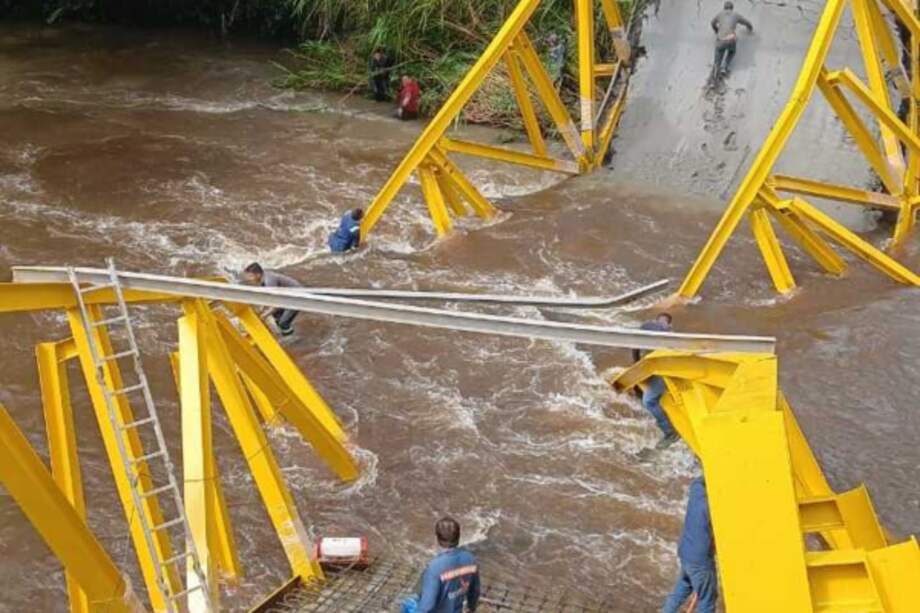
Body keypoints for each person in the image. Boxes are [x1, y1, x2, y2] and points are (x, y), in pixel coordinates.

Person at [401, 517, 480, 613]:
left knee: (409, 602)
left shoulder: (434, 567)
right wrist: (471, 608)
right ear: (458, 537)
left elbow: (427, 605)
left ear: (437, 538)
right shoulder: (470, 559)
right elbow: (474, 591)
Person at [662, 477, 718, 613]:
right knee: (707, 600)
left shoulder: (696, 489)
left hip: (686, 552)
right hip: (700, 560)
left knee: (681, 590)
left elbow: (700, 480)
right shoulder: (713, 505)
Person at [632, 313, 679, 450]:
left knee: (649, 401)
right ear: (669, 323)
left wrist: (636, 364)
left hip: (658, 368)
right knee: (649, 393)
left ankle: (670, 433)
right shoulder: (671, 333)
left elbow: (634, 345)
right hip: (664, 366)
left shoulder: (646, 325)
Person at [242, 262, 301, 337]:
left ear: (258, 274)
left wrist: (264, 315)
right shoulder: (263, 278)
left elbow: (277, 304)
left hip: (297, 297)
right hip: (286, 296)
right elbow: (268, 298)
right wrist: (262, 309)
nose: (248, 279)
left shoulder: (269, 281)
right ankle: (286, 333)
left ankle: (292, 338)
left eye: (250, 276)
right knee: (276, 316)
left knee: (283, 322)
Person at [710, 1, 753, 79]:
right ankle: (725, 66)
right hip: (730, 40)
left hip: (720, 40)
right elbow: (747, 22)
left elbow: (712, 23)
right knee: (732, 51)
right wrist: (750, 28)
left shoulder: (719, 14)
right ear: (732, 8)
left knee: (718, 56)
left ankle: (715, 74)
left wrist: (716, 30)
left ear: (724, 8)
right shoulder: (736, 15)